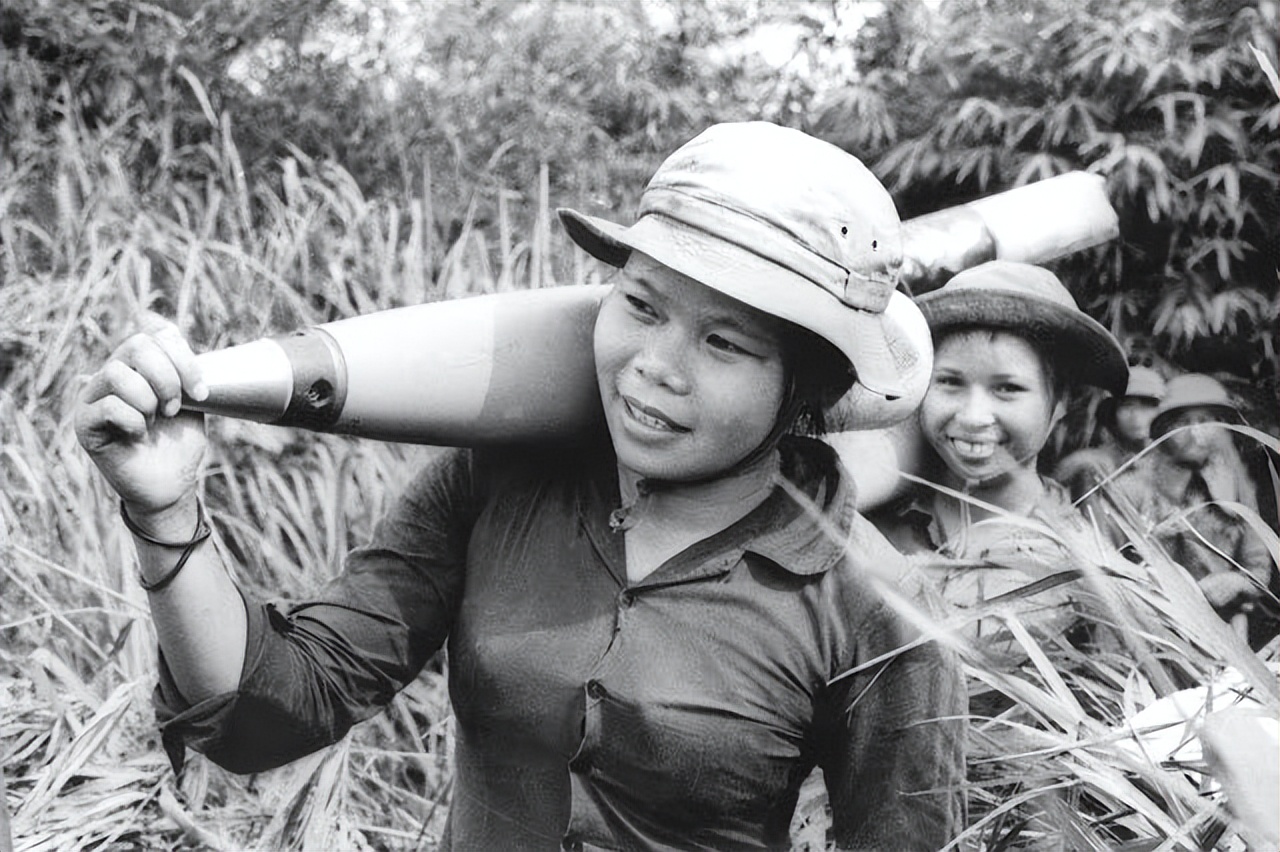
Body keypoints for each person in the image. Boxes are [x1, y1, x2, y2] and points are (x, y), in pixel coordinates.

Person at [75, 122, 965, 851]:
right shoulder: (496, 481)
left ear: (807, 387)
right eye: (641, 305)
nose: (653, 368)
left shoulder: (878, 608)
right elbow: (270, 715)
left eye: (724, 343)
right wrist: (164, 509)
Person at [866, 261, 1140, 666]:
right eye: (950, 382)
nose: (974, 416)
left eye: (1008, 388)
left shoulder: (1084, 567)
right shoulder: (872, 513)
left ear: (1060, 402)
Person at [1106, 373, 1276, 636]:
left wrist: (1235, 581)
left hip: (1223, 632)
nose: (1196, 433)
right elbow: (1107, 569)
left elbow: (1259, 568)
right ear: (1165, 430)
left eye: (1205, 421)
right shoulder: (1130, 488)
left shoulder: (1235, 486)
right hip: (1153, 628)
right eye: (1184, 422)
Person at [1054, 365, 1166, 503]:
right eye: (1127, 405)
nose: (1136, 416)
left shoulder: (1164, 467)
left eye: (1148, 405)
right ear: (1113, 413)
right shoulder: (1090, 464)